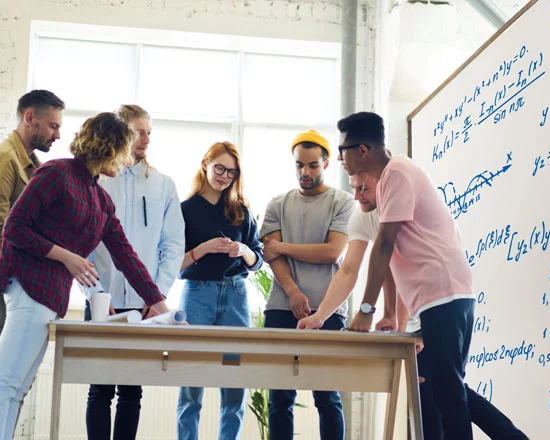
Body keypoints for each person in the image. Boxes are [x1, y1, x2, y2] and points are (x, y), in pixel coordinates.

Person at [0, 112, 172, 440]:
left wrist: (162, 308)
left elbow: (127, 258)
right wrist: (67, 257)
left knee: (18, 387)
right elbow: (14, 227)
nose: (128, 158)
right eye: (125, 149)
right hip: (28, 286)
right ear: (110, 147)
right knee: (4, 381)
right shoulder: (57, 172)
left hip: (52, 296)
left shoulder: (100, 199)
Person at [298, 173, 529, 440]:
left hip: (441, 303)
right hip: (424, 311)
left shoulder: (401, 204)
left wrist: (405, 325)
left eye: (364, 188)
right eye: (354, 188)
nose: (358, 196)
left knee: (442, 390)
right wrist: (321, 316)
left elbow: (407, 265)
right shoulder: (363, 217)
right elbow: (352, 270)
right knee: (444, 390)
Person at [337, 112, 475, 440]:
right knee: (439, 388)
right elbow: (394, 255)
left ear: (363, 150)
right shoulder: (388, 182)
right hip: (439, 298)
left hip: (444, 294)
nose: (341, 158)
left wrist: (365, 312)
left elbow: (384, 245)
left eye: (343, 150)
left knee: (448, 394)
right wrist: (389, 314)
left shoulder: (396, 173)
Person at [82, 105, 185, 440]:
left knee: (131, 393)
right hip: (103, 300)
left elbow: (172, 247)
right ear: (122, 133)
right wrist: (93, 292)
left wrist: (157, 295)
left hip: (144, 305)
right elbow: (80, 242)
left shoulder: (163, 185)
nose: (145, 139)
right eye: (139, 132)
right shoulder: (98, 181)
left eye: (149, 132)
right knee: (99, 390)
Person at [0, 89, 65, 438]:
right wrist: (21, 273)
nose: (57, 134)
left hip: (10, 282)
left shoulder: (32, 165)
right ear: (30, 118)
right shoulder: (2, 159)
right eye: (52, 125)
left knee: (11, 376)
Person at [259, 129, 353, 440]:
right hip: (281, 308)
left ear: (327, 164)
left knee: (327, 398)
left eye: (313, 165)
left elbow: (332, 252)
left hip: (328, 311)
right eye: (300, 165)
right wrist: (293, 291)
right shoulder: (277, 204)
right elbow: (271, 257)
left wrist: (285, 246)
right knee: (280, 400)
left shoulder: (343, 202)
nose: (305, 172)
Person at [176, 141, 263, 440]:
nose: (224, 176)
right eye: (219, 168)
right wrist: (202, 249)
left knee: (234, 382)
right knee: (191, 381)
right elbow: (174, 264)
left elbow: (257, 260)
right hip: (196, 294)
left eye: (232, 172)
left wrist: (242, 250)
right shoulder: (185, 209)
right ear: (205, 165)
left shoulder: (241, 211)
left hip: (236, 295)